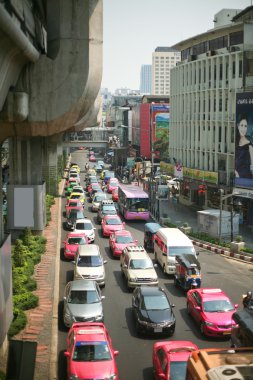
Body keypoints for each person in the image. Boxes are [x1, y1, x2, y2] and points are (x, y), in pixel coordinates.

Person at [235, 114, 253, 178]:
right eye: (241, 125)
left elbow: (252, 165)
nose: (243, 128)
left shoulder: (249, 145)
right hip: (236, 177)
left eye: (245, 126)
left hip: (245, 178)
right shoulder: (235, 142)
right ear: (238, 126)